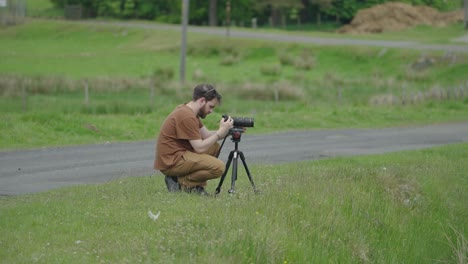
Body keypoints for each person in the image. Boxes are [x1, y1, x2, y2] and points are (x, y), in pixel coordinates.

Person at [154, 84, 234, 195]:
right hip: (171, 161)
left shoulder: (189, 111)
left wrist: (228, 131)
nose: (211, 111)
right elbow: (199, 147)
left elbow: (206, 135)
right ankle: (180, 181)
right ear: (202, 101)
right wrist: (220, 134)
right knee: (219, 168)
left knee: (213, 146)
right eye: (210, 107)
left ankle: (193, 186)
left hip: (178, 155)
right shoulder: (186, 116)